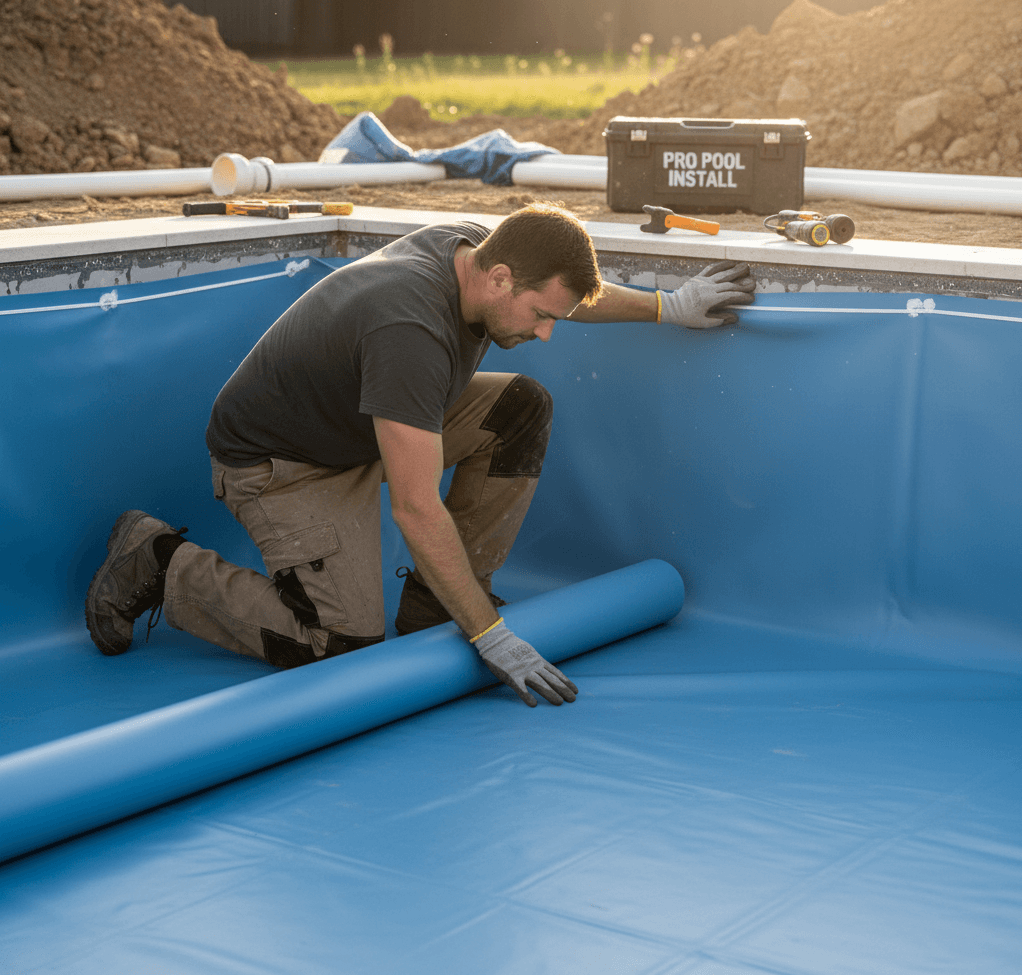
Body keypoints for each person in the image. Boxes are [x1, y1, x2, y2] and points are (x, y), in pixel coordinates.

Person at [85, 203, 755, 708]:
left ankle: (437, 604)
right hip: (283, 465)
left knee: (519, 407)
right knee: (340, 645)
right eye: (539, 317)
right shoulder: (410, 329)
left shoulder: (481, 252)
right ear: (497, 279)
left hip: (363, 423)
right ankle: (160, 561)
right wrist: (491, 634)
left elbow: (564, 292)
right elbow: (414, 506)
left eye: (556, 316)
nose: (549, 333)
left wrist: (670, 307)